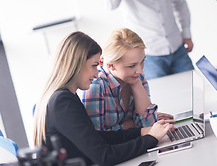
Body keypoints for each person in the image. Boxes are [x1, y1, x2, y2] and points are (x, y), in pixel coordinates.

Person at [33, 31, 174, 165]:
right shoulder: (63, 102)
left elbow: (97, 137)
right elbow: (105, 156)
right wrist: (151, 139)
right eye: (94, 66)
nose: (96, 74)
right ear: (76, 65)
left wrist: (141, 132)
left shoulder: (63, 96)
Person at [82, 28, 173, 131]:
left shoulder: (138, 79)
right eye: (131, 66)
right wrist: (134, 124)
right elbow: (97, 136)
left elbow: (149, 125)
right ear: (111, 66)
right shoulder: (96, 86)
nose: (140, 71)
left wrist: (136, 85)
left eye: (142, 61)